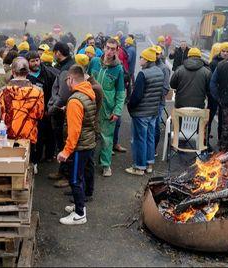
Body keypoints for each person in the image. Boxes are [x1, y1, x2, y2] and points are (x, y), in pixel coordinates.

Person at [57, 65, 97, 225]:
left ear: (71, 79)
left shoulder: (75, 100)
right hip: (89, 142)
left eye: (67, 80)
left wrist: (66, 151)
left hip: (79, 146)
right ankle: (78, 206)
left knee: (75, 179)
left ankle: (80, 213)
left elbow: (74, 131)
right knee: (82, 176)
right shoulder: (88, 92)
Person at [87, 38, 126, 177]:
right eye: (108, 48)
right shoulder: (94, 62)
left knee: (107, 138)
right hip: (90, 105)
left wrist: (117, 111)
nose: (110, 51)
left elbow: (121, 92)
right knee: (89, 135)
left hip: (107, 108)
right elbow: (85, 79)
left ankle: (105, 164)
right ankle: (87, 163)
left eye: (113, 49)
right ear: (103, 47)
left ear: (117, 50)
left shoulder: (118, 68)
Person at [0, 57, 45, 171]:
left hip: (9, 134)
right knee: (27, 167)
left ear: (13, 72)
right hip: (29, 134)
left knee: (11, 167)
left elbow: (1, 114)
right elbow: (40, 115)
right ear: (28, 72)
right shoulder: (38, 91)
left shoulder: (3, 92)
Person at [126, 48, 164, 175]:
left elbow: (136, 96)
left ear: (147, 60)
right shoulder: (159, 71)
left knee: (139, 139)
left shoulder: (143, 74)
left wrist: (130, 107)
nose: (140, 60)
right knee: (150, 137)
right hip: (153, 111)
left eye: (142, 58)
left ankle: (139, 167)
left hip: (141, 112)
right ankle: (149, 164)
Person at [46, 42, 76, 187]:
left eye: (54, 53)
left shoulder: (65, 69)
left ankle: (67, 176)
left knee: (64, 144)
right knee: (63, 144)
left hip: (62, 112)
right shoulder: (71, 63)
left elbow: (62, 95)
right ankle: (62, 171)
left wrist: (51, 110)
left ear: (58, 52)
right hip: (67, 110)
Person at [27, 51, 59, 167]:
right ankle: (33, 157)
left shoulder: (48, 74)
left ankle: (47, 156)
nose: (36, 63)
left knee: (46, 132)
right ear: (27, 62)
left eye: (37, 60)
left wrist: (48, 108)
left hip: (44, 110)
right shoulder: (24, 74)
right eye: (32, 61)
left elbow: (53, 93)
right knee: (33, 135)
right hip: (28, 112)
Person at [152, 45, 171, 158]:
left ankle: (153, 149)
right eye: (154, 53)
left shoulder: (164, 68)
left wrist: (155, 97)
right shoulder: (149, 66)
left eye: (157, 53)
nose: (155, 55)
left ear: (160, 55)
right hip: (149, 102)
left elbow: (165, 88)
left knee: (155, 126)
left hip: (158, 102)